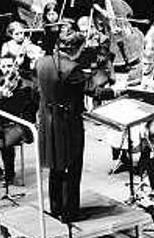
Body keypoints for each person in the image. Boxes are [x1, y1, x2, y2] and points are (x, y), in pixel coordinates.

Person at [37, 28, 110, 221]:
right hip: (67, 123)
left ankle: (55, 208)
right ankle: (70, 212)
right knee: (72, 167)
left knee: (55, 165)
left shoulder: (42, 62)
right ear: (76, 49)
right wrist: (115, 90)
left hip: (47, 120)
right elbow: (95, 91)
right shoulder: (71, 69)